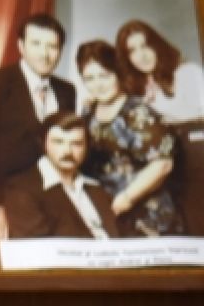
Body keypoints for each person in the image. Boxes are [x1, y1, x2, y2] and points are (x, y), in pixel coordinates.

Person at [0, 13, 77, 238]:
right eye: (36, 44)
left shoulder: (67, 90)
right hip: (8, 196)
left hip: (55, 196)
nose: (45, 54)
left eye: (52, 46)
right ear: (21, 46)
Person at [76, 39, 182, 237]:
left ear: (118, 73)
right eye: (89, 78)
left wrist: (126, 198)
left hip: (146, 214)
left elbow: (163, 164)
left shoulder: (138, 112)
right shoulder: (88, 112)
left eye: (104, 76)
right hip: (105, 212)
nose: (98, 85)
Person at [115, 19, 204, 234]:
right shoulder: (138, 88)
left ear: (157, 45)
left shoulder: (187, 72)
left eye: (146, 46)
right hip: (166, 162)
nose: (142, 55)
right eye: (132, 51)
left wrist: (164, 117)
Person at [0, 113, 120, 240]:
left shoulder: (96, 189)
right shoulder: (21, 189)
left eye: (77, 144)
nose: (67, 151)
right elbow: (37, 247)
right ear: (43, 143)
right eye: (58, 142)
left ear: (86, 147)